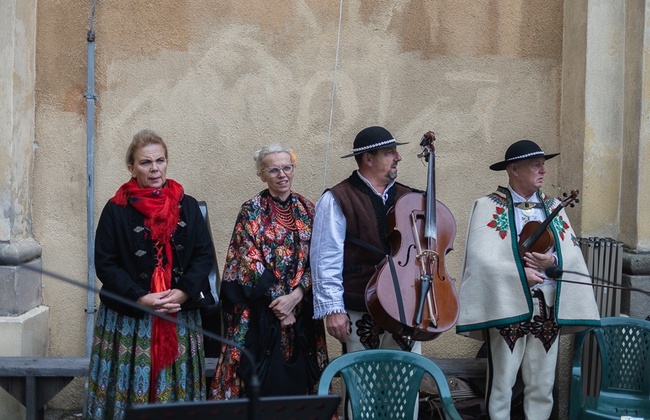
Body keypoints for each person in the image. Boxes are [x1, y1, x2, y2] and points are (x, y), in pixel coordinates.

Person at [456, 139, 600, 419]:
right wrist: (520, 275)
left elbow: (571, 254)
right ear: (514, 169)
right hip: (508, 304)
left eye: (543, 165)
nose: (543, 171)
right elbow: (482, 260)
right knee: (502, 384)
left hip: (547, 306)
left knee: (542, 385)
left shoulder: (555, 206)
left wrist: (553, 261)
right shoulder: (488, 206)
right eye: (536, 165)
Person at [86, 129, 216, 419]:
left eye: (160, 160)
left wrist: (182, 292)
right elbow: (106, 264)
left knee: (175, 383)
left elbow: (203, 255)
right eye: (146, 162)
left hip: (178, 310)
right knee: (132, 386)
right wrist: (140, 297)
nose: (155, 168)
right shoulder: (116, 209)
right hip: (130, 317)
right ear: (131, 168)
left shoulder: (188, 205)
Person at [210, 144, 329, 399]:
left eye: (287, 167)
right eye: (273, 170)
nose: (282, 174)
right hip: (259, 310)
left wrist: (296, 296)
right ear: (262, 175)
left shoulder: (309, 209)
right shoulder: (250, 210)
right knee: (251, 378)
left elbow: (318, 259)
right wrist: (280, 305)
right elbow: (247, 260)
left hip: (300, 310)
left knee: (302, 379)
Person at [310, 126, 421, 353]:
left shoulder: (410, 197)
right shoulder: (337, 198)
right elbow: (325, 258)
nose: (398, 157)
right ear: (368, 159)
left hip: (406, 308)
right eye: (389, 152)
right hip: (359, 307)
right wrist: (333, 308)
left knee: (406, 382)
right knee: (361, 383)